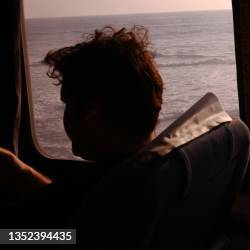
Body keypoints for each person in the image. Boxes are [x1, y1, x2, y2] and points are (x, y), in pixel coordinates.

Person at [0, 25, 164, 226]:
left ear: (91, 114)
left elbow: (35, 237)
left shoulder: (99, 191)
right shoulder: (155, 172)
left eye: (67, 104)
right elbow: (74, 213)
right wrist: (20, 173)